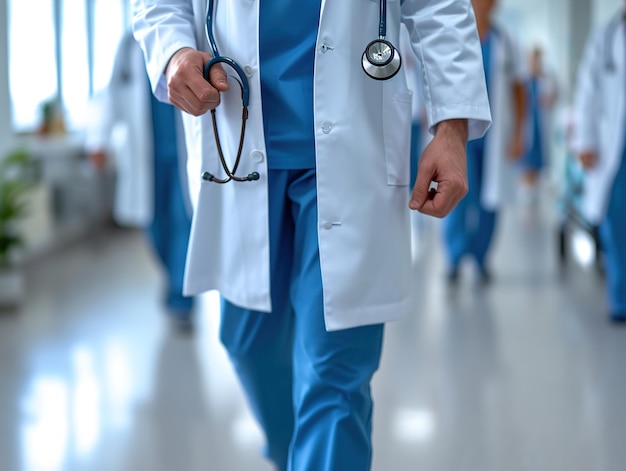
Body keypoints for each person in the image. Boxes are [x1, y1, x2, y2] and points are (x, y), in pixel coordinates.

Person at [131, 0, 491, 469]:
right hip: (239, 145)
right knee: (249, 345)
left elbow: (439, 6)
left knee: (336, 374)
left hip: (351, 151)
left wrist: (452, 129)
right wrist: (174, 52)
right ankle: (295, 454)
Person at [85, 31, 195, 331]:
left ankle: (181, 301)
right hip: (146, 157)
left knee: (183, 222)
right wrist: (99, 139)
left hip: (187, 154)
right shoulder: (130, 43)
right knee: (156, 228)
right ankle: (174, 282)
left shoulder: (191, 31)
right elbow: (111, 94)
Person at [442, 0, 526, 283]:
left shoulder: (507, 41)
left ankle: (480, 258)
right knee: (458, 197)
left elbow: (519, 91)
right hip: (462, 135)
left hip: (495, 137)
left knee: (491, 201)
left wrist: (519, 135)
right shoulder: (456, 37)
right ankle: (454, 258)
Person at [572, 2, 626, 324]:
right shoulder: (605, 36)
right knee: (616, 221)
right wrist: (586, 139)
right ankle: (620, 298)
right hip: (614, 145)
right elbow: (587, 90)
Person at [519, 46, 557, 207]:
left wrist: (551, 98)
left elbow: (554, 97)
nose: (536, 64)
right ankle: (528, 199)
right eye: (533, 60)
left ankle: (534, 199)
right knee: (527, 162)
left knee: (538, 162)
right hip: (527, 128)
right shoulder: (523, 80)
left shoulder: (546, 79)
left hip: (540, 128)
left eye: (538, 60)